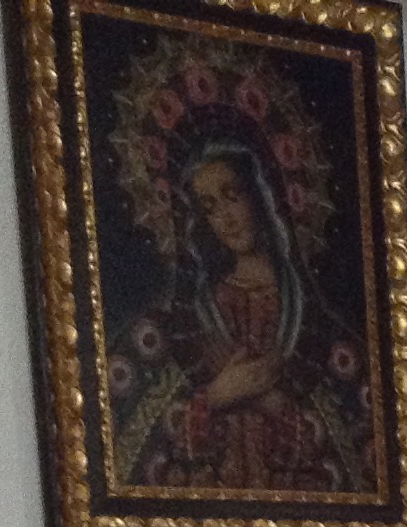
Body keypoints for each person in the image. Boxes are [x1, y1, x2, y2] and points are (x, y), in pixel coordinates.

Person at [111, 135, 374, 495]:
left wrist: (275, 405)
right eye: (210, 207)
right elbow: (138, 444)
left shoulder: (310, 324)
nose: (226, 219)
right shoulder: (191, 318)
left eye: (232, 196)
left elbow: (358, 446)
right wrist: (218, 396)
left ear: (262, 196)